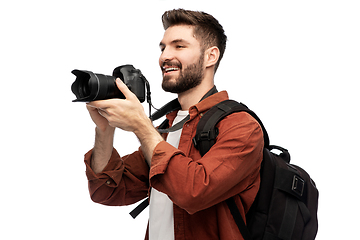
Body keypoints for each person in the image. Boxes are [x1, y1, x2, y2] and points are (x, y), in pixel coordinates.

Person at [83, 9, 264, 240]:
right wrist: (105, 130)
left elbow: (193, 192)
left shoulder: (241, 127)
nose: (164, 57)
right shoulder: (167, 131)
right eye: (162, 48)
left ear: (211, 56)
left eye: (179, 46)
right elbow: (106, 191)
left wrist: (141, 126)